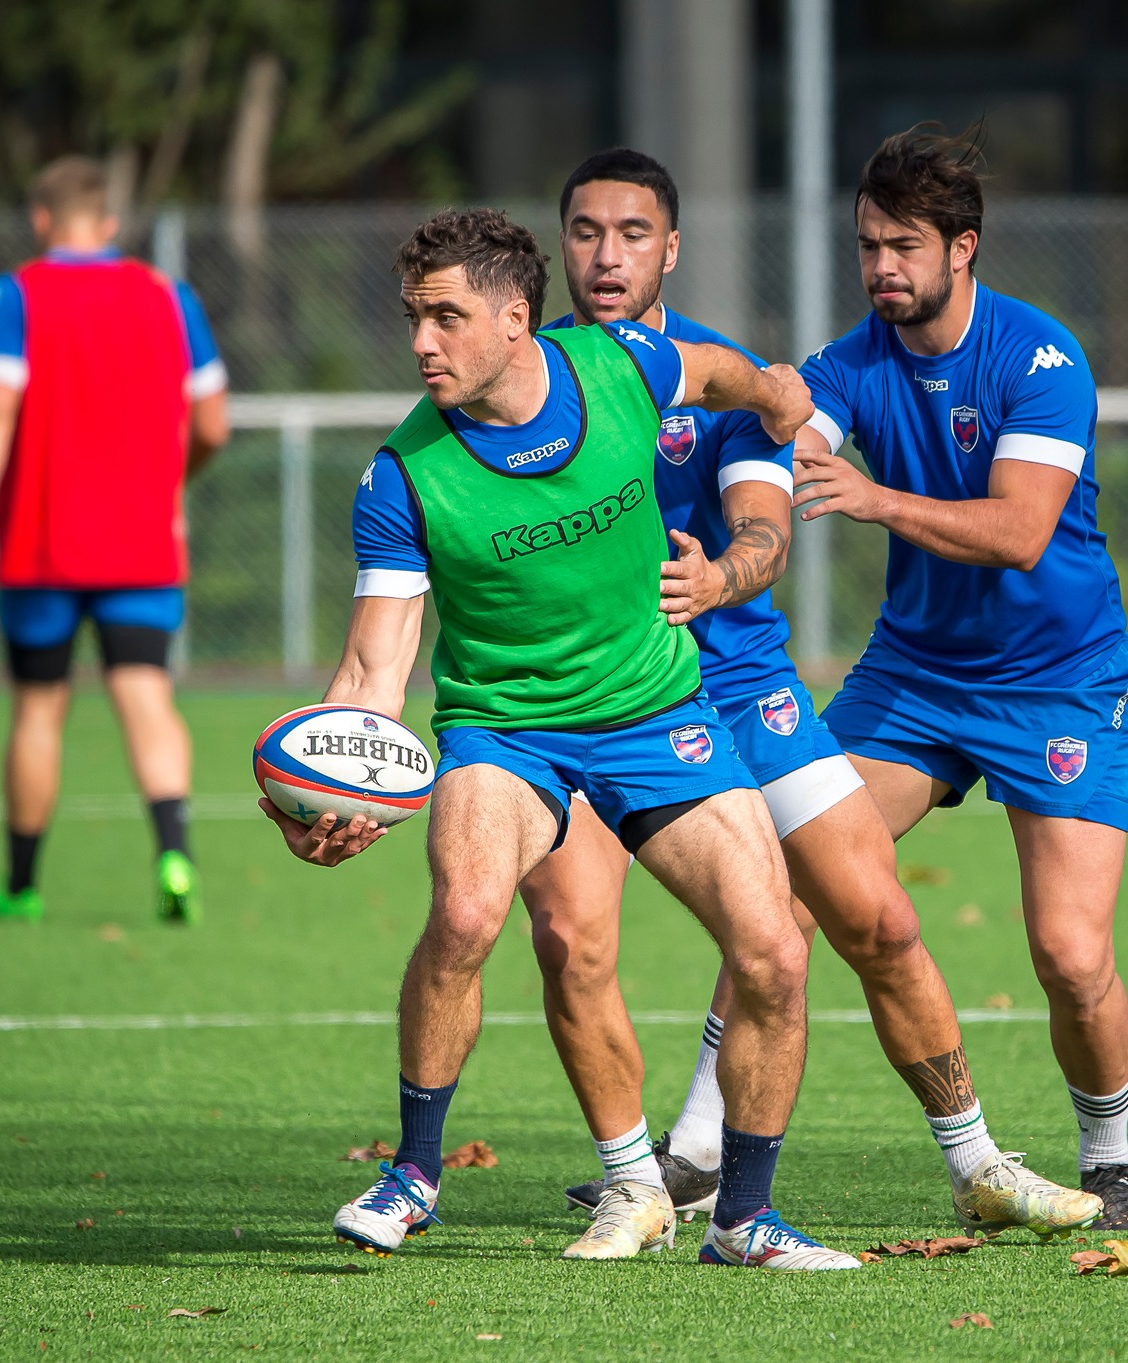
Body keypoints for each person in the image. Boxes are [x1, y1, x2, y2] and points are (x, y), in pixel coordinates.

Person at [524, 149, 1100, 1244]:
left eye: (633, 233)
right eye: (586, 232)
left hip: (739, 684)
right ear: (560, 246)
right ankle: (640, 1180)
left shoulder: (733, 375)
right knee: (571, 937)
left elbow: (766, 523)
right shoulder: (527, 380)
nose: (607, 255)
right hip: (587, 701)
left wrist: (724, 573)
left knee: (874, 914)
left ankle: (974, 1160)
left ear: (671, 249)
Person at [265, 207, 855, 1270]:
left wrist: (774, 392)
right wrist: (337, 777)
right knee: (467, 914)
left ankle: (743, 1219)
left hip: (657, 712)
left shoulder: (619, 364)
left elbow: (715, 371)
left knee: (772, 949)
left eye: (445, 317)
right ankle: (414, 1173)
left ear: (513, 318)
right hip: (507, 730)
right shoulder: (405, 475)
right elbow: (373, 668)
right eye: (413, 318)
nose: (421, 343)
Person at [792, 127, 1128, 1231]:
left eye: (902, 246)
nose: (879, 268)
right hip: (914, 674)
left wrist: (873, 499)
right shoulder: (848, 362)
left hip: (1059, 679)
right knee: (788, 876)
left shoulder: (1037, 358)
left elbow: (1018, 530)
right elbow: (784, 441)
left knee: (1068, 952)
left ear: (965, 248)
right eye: (865, 245)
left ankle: (1106, 1159)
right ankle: (704, 1150)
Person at [0, 154, 230, 926]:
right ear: (109, 224)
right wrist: (171, 480)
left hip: (42, 543)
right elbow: (213, 423)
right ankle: (174, 854)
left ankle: (21, 884)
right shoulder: (168, 295)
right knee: (146, 695)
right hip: (143, 541)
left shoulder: (14, 294)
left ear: (42, 221)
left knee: (39, 708)